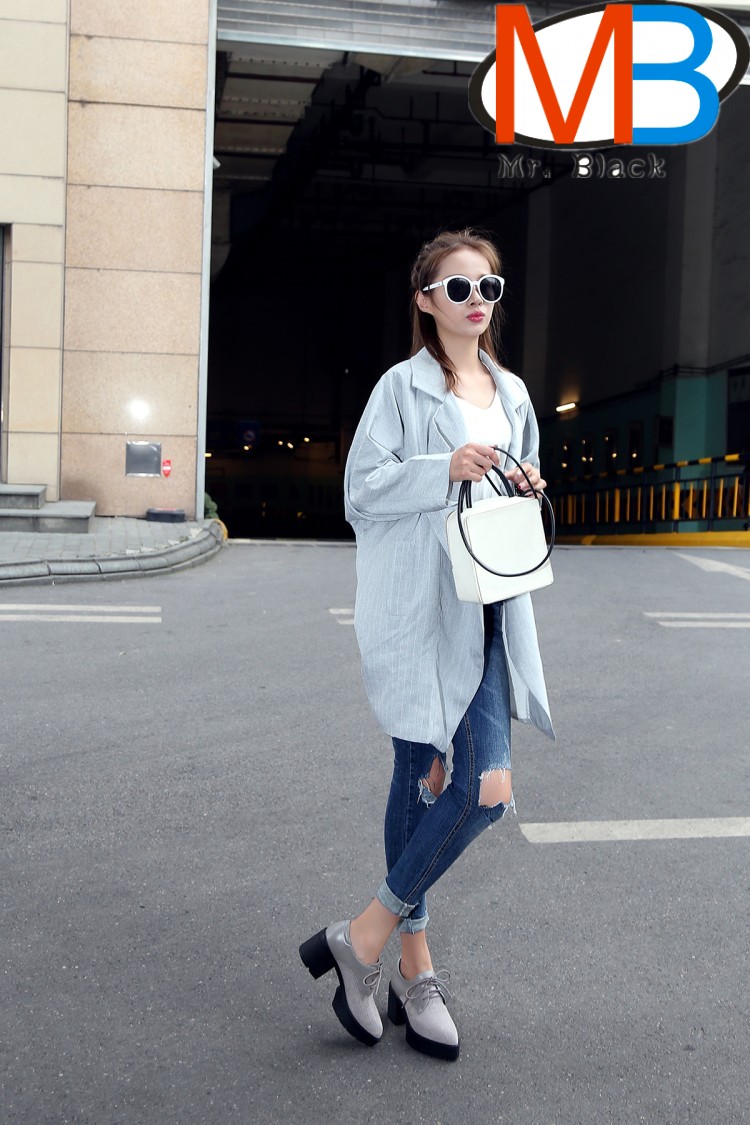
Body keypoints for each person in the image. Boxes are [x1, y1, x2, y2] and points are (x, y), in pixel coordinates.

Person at [300, 228, 554, 1061]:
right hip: (422, 606)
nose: (477, 300)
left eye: (490, 287)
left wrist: (525, 481)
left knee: (485, 787)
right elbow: (361, 491)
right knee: (425, 775)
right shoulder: (399, 389)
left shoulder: (514, 393)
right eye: (459, 287)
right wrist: (443, 466)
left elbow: (517, 481)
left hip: (492, 601)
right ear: (425, 300)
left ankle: (364, 936)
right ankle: (416, 969)